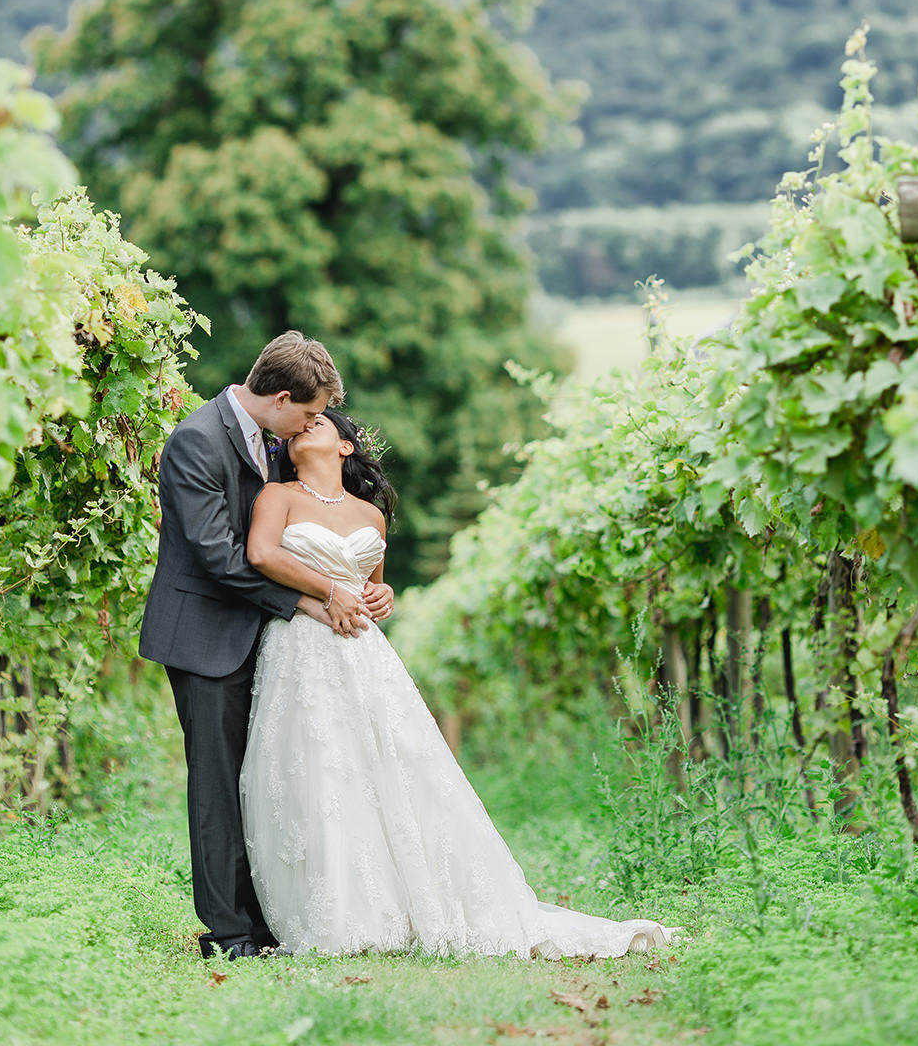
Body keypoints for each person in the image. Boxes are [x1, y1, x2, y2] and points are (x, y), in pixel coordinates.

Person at [240, 411, 678, 959]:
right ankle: (338, 911)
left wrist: (385, 596)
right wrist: (330, 592)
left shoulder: (371, 516)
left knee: (390, 771)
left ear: (346, 447)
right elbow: (261, 556)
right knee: (320, 770)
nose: (304, 426)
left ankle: (403, 900)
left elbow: (373, 588)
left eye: (320, 420)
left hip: (362, 654)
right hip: (301, 648)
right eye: (298, 423)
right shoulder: (276, 497)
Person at [139, 331, 368, 960]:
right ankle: (231, 934)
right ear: (284, 397)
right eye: (311, 413)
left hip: (268, 642)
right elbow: (218, 556)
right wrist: (309, 601)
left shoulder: (272, 439)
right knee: (216, 787)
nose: (313, 427)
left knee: (263, 783)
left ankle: (269, 920)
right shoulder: (195, 440)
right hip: (205, 637)